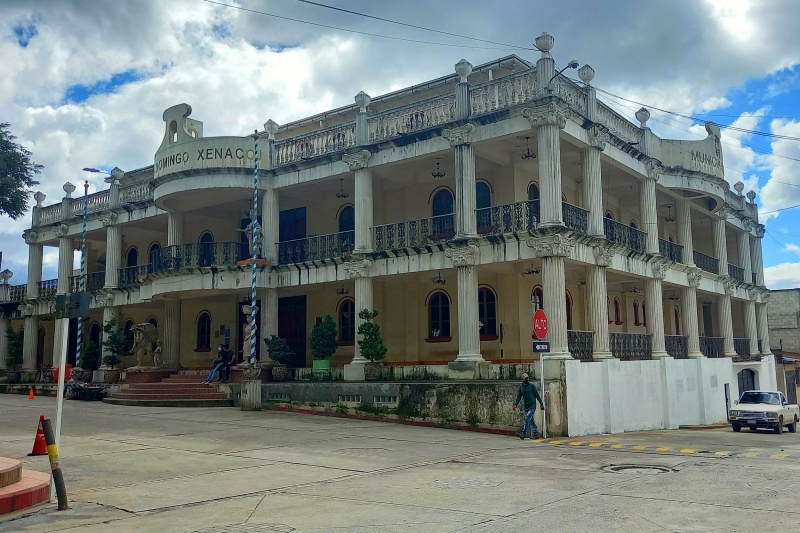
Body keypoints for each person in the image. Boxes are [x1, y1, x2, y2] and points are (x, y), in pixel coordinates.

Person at [512, 373, 545, 440]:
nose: (527, 379)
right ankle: (536, 433)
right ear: (523, 379)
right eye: (525, 378)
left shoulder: (532, 386)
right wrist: (515, 404)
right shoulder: (521, 387)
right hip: (526, 406)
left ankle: (523, 433)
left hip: (532, 406)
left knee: (527, 418)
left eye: (527, 378)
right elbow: (519, 396)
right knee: (531, 420)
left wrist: (541, 404)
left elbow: (537, 395)